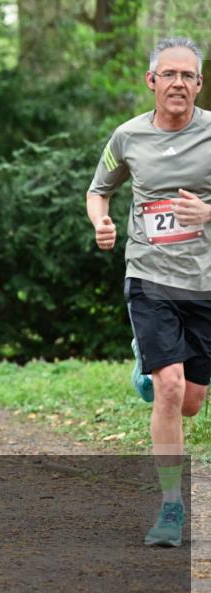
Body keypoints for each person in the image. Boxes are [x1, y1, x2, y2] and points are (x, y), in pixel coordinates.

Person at [86, 36, 211, 547]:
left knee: (192, 402)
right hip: (149, 276)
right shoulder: (128, 136)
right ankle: (171, 507)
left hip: (204, 283)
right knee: (171, 387)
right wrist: (102, 223)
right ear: (151, 81)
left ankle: (149, 364)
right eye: (169, 74)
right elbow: (99, 189)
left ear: (199, 85)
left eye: (188, 75)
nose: (178, 83)